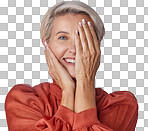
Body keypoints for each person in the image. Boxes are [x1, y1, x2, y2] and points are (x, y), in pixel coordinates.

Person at [5, 1, 138, 131]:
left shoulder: (121, 105)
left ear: (97, 45)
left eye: (83, 38)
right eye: (63, 37)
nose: (74, 49)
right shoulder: (23, 100)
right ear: (46, 44)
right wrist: (68, 91)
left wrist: (85, 82)